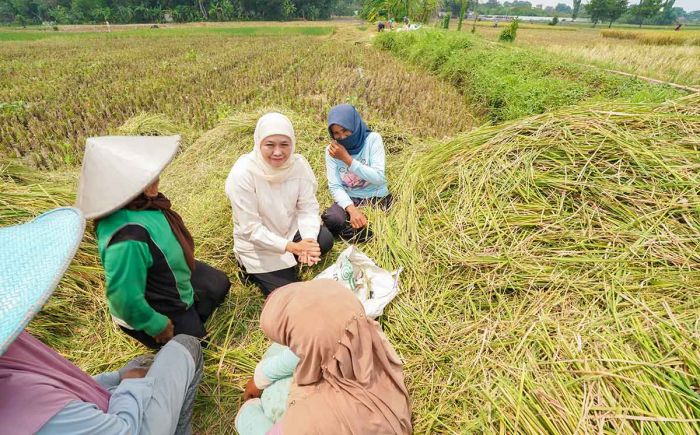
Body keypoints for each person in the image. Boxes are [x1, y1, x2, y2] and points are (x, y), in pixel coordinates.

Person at [0, 207, 203, 435]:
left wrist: (116, 378)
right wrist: (131, 385)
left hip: (92, 416)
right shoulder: (28, 407)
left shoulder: (13, 367)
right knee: (187, 344)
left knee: (144, 364)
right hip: (129, 428)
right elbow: (125, 430)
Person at [76, 135, 231, 349]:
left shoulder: (142, 204)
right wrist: (155, 324)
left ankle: (187, 315)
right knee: (196, 348)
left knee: (219, 284)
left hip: (167, 274)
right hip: (155, 303)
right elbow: (126, 299)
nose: (157, 179)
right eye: (147, 178)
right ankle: (174, 327)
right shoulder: (127, 239)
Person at [235, 280, 412, 434]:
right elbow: (304, 351)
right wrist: (261, 376)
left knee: (264, 401)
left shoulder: (310, 421)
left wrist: (247, 412)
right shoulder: (367, 338)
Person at [225, 113, 333, 297]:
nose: (278, 152)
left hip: (288, 229)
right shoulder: (243, 174)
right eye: (270, 144)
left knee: (324, 240)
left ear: (292, 143)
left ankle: (295, 255)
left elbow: (307, 208)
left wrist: (307, 240)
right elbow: (251, 230)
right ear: (258, 143)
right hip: (259, 246)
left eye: (284, 144)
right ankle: (248, 268)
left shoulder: (298, 165)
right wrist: (293, 248)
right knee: (289, 294)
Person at [322, 103, 392, 243]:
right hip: (351, 199)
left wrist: (347, 159)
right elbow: (335, 186)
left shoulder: (372, 140)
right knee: (332, 219)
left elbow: (378, 178)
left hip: (376, 197)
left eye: (345, 130)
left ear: (354, 125)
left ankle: (363, 234)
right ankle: (364, 234)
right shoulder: (331, 151)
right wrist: (352, 210)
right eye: (336, 133)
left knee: (382, 223)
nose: (342, 137)